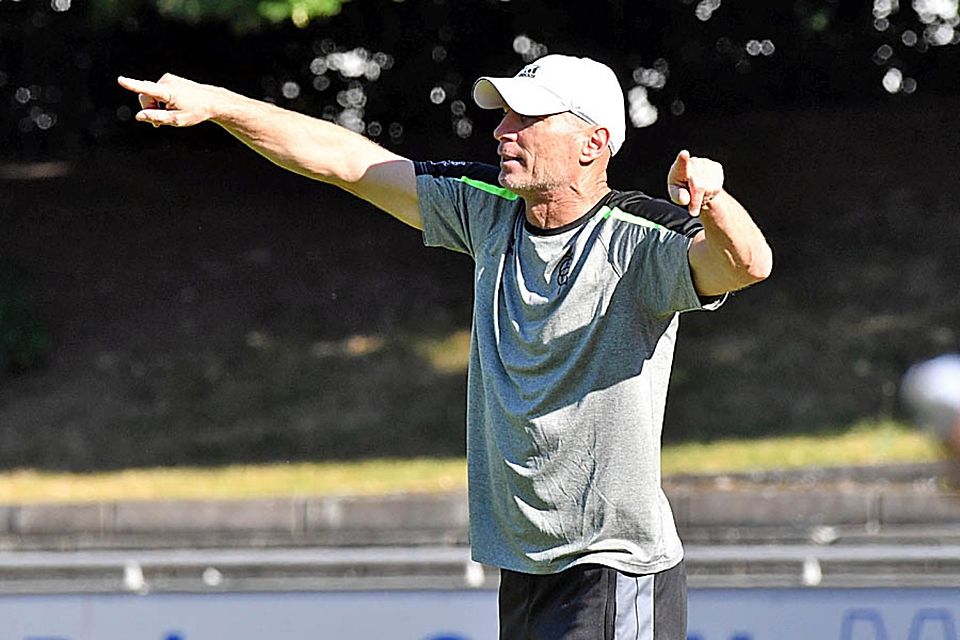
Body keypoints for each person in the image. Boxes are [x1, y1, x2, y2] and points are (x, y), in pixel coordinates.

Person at [119, 53, 772, 639]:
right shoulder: (484, 209)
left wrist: (711, 200)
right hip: (525, 566)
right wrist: (220, 104)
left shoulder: (642, 238)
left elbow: (746, 265)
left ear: (592, 144)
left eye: (527, 120)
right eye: (504, 117)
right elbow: (344, 162)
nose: (501, 132)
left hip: (612, 567)